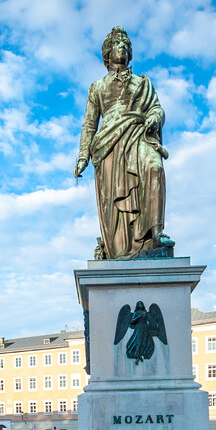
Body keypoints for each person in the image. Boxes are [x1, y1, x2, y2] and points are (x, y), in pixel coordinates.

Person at [75, 27, 174, 260]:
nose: (123, 48)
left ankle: (155, 232)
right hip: (108, 145)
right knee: (115, 205)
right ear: (108, 54)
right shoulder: (97, 87)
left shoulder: (143, 82)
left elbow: (157, 108)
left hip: (139, 133)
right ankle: (119, 248)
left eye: (126, 45)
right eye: (118, 44)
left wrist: (155, 117)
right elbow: (89, 124)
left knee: (154, 168)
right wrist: (82, 157)